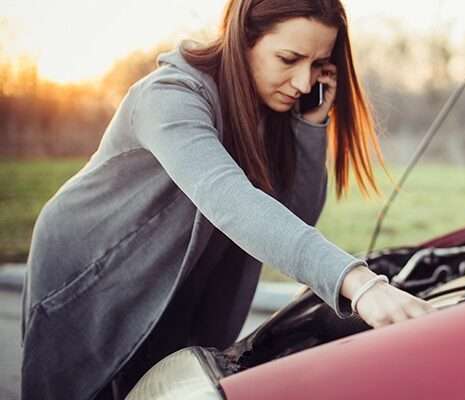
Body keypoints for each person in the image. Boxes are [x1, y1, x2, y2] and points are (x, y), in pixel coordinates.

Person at [20, 0, 435, 398]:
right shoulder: (170, 97)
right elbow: (230, 201)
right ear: (242, 39)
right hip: (95, 272)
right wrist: (359, 284)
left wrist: (310, 127)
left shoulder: (270, 110)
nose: (304, 83)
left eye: (317, 65)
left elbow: (294, 217)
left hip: (179, 274)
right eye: (289, 59)